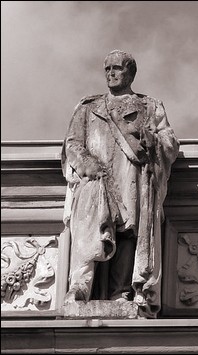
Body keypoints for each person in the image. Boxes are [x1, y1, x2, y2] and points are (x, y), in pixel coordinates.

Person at [61, 49, 179, 318]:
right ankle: (80, 286)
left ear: (130, 73)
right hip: (94, 181)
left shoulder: (149, 106)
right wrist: (87, 165)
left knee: (127, 231)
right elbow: (73, 143)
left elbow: (169, 141)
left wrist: (155, 143)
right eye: (107, 69)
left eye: (117, 68)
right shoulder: (88, 106)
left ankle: (120, 291)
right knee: (89, 230)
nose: (111, 73)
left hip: (131, 177)